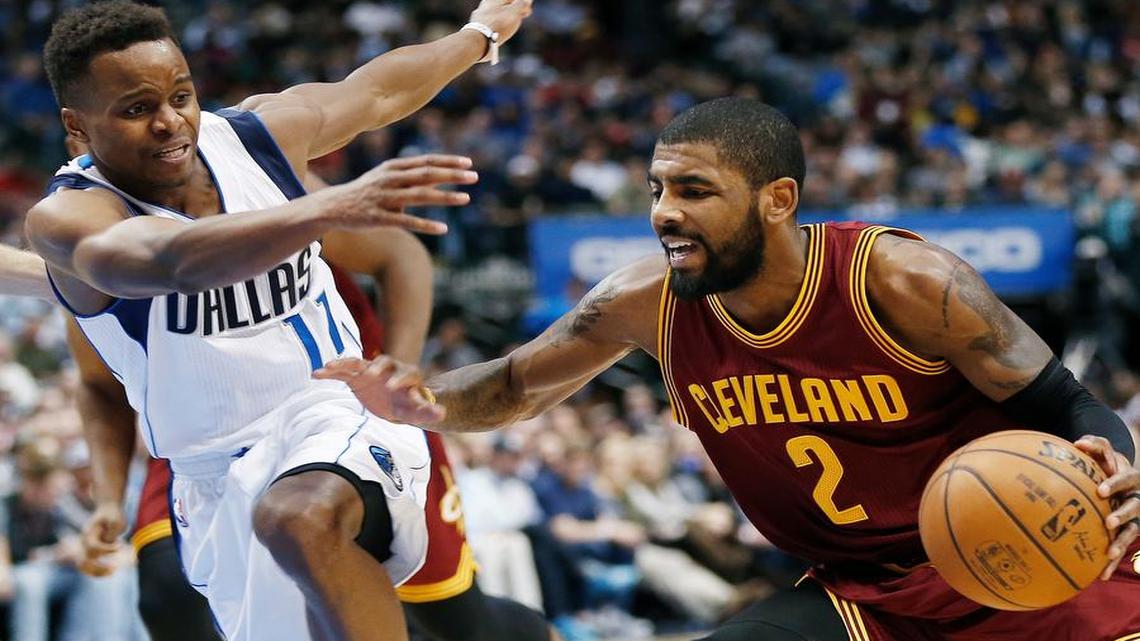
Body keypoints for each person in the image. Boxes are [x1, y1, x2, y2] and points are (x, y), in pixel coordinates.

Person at [318, 97, 1140, 641]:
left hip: (1035, 564)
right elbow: (513, 385)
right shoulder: (646, 302)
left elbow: (1068, 402)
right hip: (863, 594)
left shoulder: (900, 280)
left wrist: (1120, 472)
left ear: (776, 199)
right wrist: (421, 402)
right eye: (656, 187)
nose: (664, 211)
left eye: (694, 190)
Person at [24, 1, 532, 639]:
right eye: (135, 109)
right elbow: (165, 262)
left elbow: (377, 91)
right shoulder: (68, 220)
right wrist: (321, 209)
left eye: (181, 96)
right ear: (77, 127)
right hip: (212, 480)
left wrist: (479, 34)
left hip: (337, 413)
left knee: (299, 516)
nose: (169, 122)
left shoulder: (255, 138)